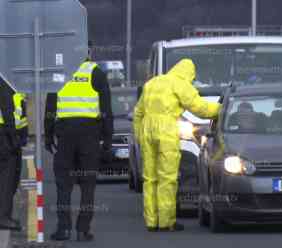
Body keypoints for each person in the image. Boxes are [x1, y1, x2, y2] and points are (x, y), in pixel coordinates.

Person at [134, 59, 221, 232]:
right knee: (167, 178)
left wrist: (139, 136)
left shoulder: (152, 82)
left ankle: (151, 221)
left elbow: (138, 113)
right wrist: (222, 109)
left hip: (147, 130)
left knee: (150, 179)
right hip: (166, 130)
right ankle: (166, 222)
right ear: (189, 73)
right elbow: (200, 108)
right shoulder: (180, 84)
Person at [44, 41, 113, 241]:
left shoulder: (59, 74)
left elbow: (50, 107)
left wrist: (48, 135)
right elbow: (107, 111)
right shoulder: (97, 73)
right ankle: (83, 230)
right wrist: (107, 142)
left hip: (65, 134)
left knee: (63, 184)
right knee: (88, 184)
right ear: (88, 52)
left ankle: (63, 228)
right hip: (90, 135)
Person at [0, 76, 22, 231]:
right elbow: (7, 107)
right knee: (7, 178)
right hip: (3, 135)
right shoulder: (5, 79)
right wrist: (13, 137)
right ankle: (3, 217)